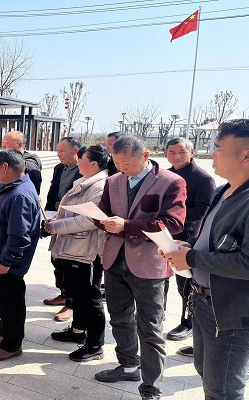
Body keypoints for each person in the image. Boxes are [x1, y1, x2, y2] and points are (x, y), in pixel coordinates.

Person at [94, 135, 186, 400]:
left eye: (126, 163)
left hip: (150, 264)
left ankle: (151, 388)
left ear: (145, 156)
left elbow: (173, 223)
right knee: (119, 316)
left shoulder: (171, 182)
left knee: (150, 327)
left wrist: (127, 225)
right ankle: (127, 365)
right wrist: (103, 221)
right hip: (114, 259)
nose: (121, 168)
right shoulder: (113, 181)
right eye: (117, 163)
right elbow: (103, 213)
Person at [163, 119, 249, 400]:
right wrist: (186, 247)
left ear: (246, 155)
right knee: (205, 371)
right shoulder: (224, 190)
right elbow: (212, 240)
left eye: (218, 148)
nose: (212, 154)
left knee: (223, 389)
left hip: (231, 313)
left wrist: (191, 257)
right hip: (202, 301)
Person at [44, 145, 109, 362]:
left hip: (87, 251)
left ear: (93, 163)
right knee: (78, 295)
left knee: (90, 297)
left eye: (81, 159)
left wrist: (56, 226)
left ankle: (95, 345)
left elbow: (90, 220)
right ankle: (78, 331)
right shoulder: (86, 181)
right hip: (75, 247)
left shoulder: (100, 186)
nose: (77, 161)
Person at [0, 149, 41, 361]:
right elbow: (4, 223)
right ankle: (5, 326)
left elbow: (19, 236)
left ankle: (12, 344)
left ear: (5, 166)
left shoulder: (19, 195)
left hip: (7, 262)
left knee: (11, 300)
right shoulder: (11, 187)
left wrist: (6, 262)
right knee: (3, 297)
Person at [163, 137, 215, 346]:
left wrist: (172, 218)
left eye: (181, 152)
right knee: (160, 277)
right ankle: (159, 312)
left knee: (185, 283)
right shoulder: (164, 175)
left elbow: (203, 210)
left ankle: (188, 322)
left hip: (186, 237)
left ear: (192, 152)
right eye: (172, 152)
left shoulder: (202, 178)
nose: (176, 156)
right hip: (163, 233)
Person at [42, 137, 82, 322]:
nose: (59, 154)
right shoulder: (59, 168)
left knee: (70, 263)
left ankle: (72, 304)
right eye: (57, 150)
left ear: (76, 151)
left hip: (73, 221)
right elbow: (53, 192)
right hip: (56, 218)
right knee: (56, 259)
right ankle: (64, 294)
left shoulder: (83, 170)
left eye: (62, 151)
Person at [0, 131, 42, 219]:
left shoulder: (29, 166)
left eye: (7, 143)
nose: (3, 146)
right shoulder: (5, 161)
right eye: (2, 143)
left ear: (20, 144)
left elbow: (27, 199)